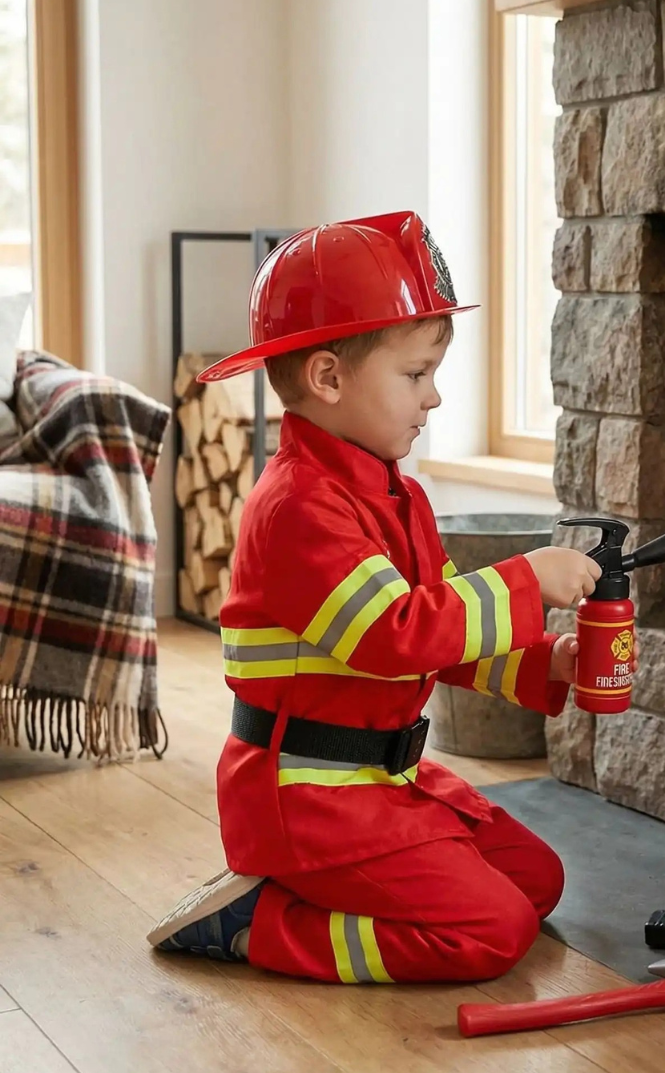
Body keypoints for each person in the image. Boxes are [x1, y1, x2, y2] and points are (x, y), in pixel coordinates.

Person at [145, 212, 611, 984]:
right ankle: (259, 923)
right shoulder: (297, 507)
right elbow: (395, 635)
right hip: (307, 801)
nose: (433, 398)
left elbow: (445, 628)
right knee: (492, 933)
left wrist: (546, 661)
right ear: (328, 378)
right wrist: (528, 580)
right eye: (416, 374)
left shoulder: (400, 498)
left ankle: (342, 891)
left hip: (381, 784)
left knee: (537, 882)